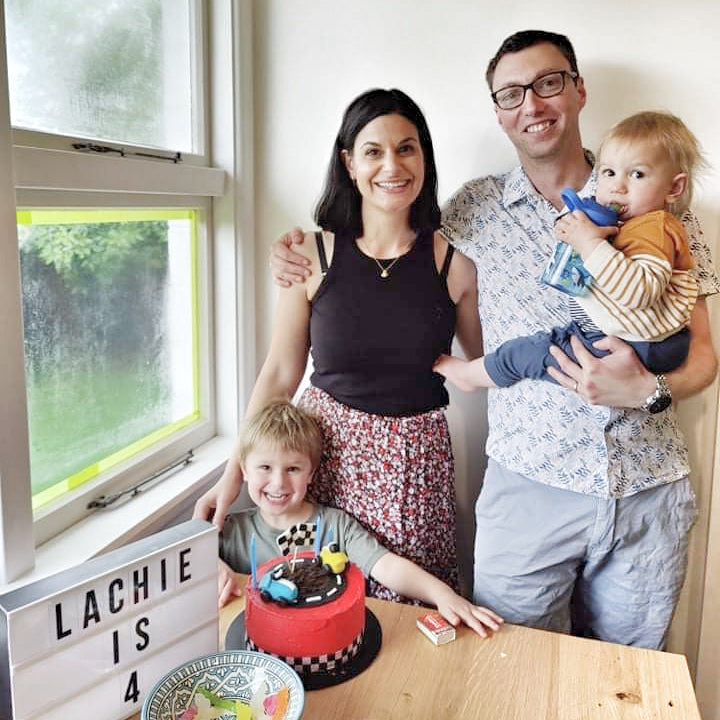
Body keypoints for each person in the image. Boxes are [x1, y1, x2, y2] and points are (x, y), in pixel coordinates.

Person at [266, 31, 719, 649]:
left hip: (645, 490)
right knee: (507, 672)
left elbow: (704, 358)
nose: (531, 104)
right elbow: (387, 235)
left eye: (549, 82)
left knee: (629, 686)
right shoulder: (472, 211)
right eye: (511, 93)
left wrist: (649, 388)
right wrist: (294, 250)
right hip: (528, 488)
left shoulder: (658, 199)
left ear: (579, 90)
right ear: (498, 111)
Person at [194, 88, 484, 602]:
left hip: (414, 468)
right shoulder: (310, 253)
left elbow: (489, 368)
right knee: (313, 598)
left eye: (407, 148)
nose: (391, 165)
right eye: (373, 151)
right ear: (349, 163)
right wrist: (232, 476)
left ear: (424, 157)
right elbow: (280, 375)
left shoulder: (454, 265)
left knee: (408, 612)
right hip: (324, 456)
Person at [434, 110, 702, 391]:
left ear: (674, 187)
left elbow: (640, 291)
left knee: (528, 352)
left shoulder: (655, 228)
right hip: (622, 337)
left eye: (637, 174)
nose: (618, 187)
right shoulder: (627, 226)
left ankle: (468, 377)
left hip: (632, 344)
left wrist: (589, 243)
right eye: (609, 172)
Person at [216, 400, 504, 637]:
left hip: (327, 646)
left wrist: (443, 595)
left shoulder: (335, 526)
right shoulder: (230, 531)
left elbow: (386, 565)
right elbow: (187, 566)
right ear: (243, 470)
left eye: (293, 469)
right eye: (264, 467)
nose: (278, 483)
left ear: (312, 474)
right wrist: (215, 567)